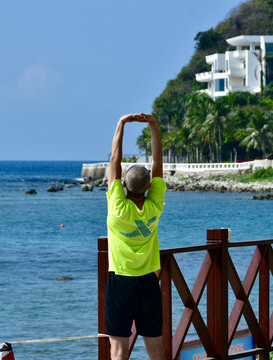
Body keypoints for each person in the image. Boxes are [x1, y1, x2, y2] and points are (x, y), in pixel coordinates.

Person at [104, 113, 166, 360]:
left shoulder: (117, 207)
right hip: (148, 282)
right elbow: (158, 163)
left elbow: (114, 161)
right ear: (149, 186)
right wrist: (154, 124)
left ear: (124, 187)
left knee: (118, 350)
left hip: (120, 281)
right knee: (156, 347)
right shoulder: (155, 205)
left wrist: (120, 124)